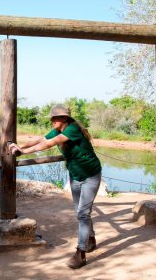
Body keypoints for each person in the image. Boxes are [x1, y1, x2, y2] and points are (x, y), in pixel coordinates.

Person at [8, 104, 101, 269]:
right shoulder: (58, 130)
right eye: (51, 118)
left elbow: (49, 144)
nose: (51, 120)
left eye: (55, 118)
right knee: (81, 213)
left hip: (90, 176)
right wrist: (19, 147)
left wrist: (24, 153)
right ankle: (91, 239)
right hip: (75, 176)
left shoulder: (71, 130)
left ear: (64, 118)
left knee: (82, 214)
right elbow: (41, 140)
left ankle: (80, 253)